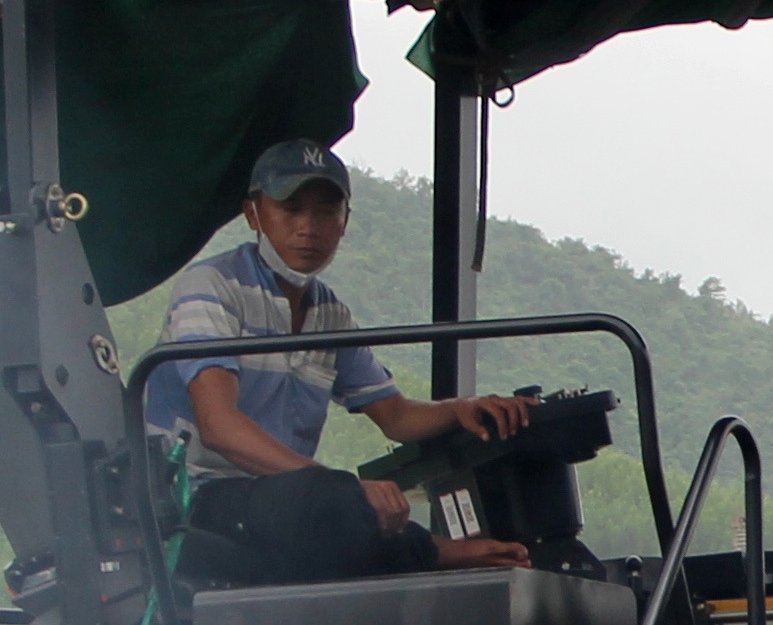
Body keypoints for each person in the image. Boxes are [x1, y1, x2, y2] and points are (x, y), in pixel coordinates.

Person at [147, 143, 531, 584]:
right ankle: (438, 552)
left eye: (326, 212)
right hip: (195, 495)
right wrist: (342, 490)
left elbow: (397, 416)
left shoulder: (330, 316)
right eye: (290, 209)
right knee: (330, 504)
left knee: (330, 507)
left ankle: (477, 554)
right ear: (253, 215)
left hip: (281, 497)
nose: (308, 228)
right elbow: (219, 426)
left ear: (344, 222)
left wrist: (462, 408)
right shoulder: (212, 287)